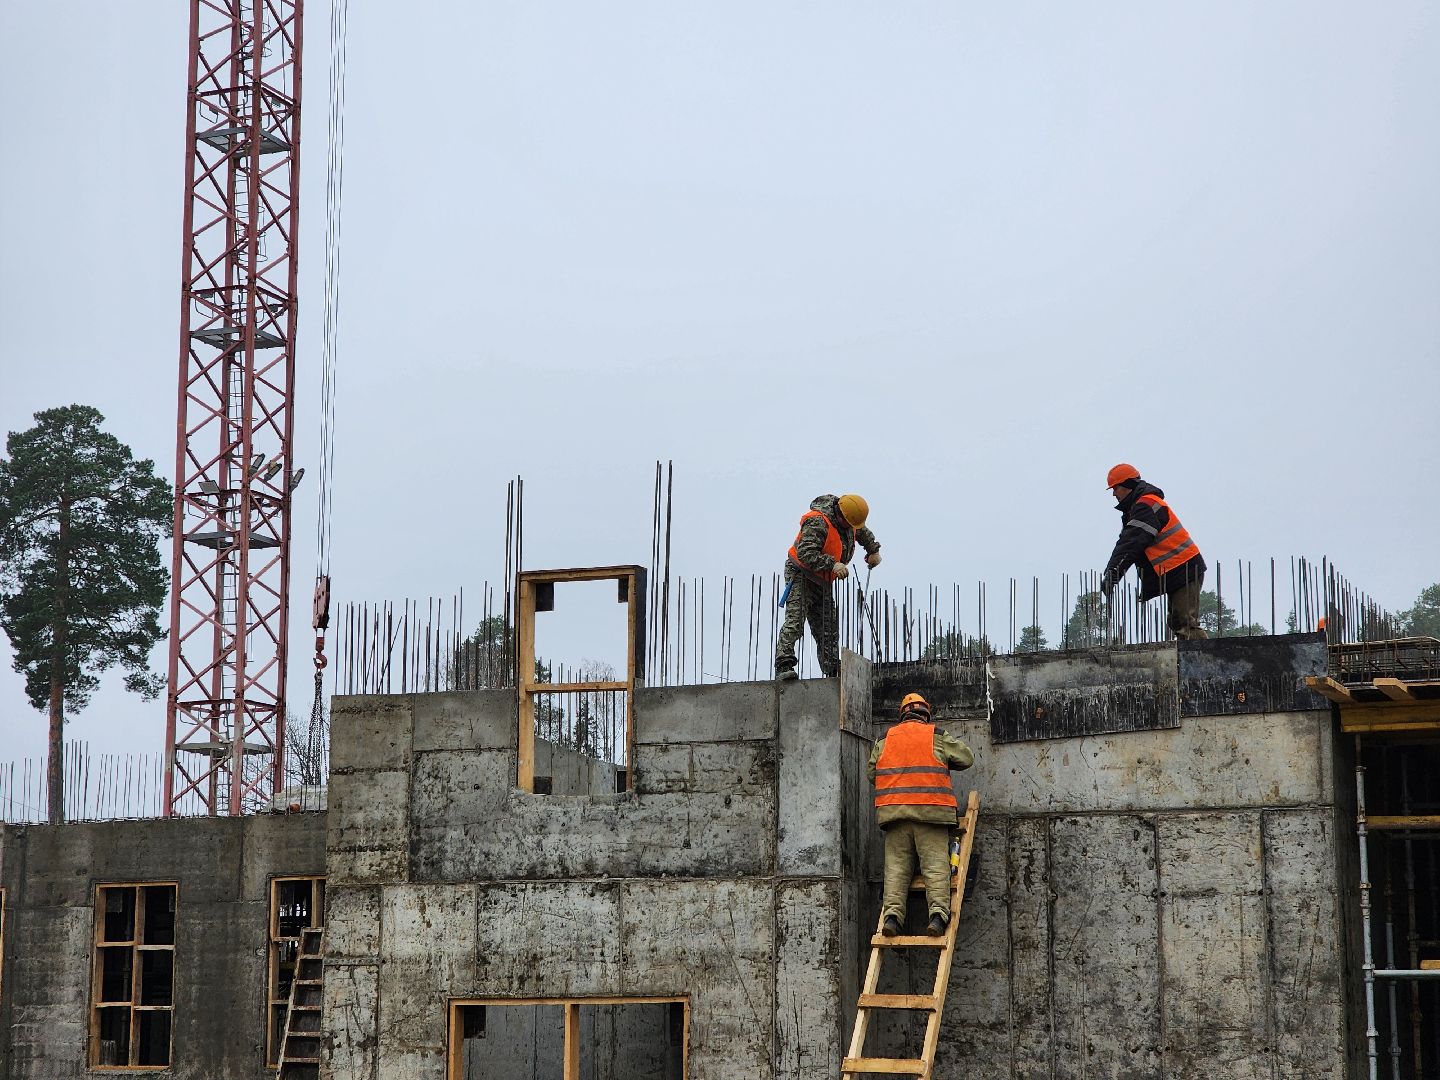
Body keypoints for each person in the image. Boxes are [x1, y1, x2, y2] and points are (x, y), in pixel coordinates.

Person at [867, 693, 974, 936]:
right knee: (935, 868)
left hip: (895, 817)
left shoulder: (885, 739)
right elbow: (966, 758)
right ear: (926, 713)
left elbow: (872, 773)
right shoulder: (935, 735)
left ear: (902, 713)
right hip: (931, 813)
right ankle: (937, 918)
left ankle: (892, 919)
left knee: (895, 870)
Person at [774, 493, 880, 681]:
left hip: (822, 581)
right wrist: (833, 565)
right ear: (841, 516)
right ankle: (784, 665)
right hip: (801, 575)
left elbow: (863, 532)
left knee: (828, 628)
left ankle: (832, 669)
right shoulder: (817, 522)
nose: (852, 529)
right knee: (795, 622)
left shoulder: (850, 522)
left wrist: (873, 550)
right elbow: (805, 552)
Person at [1099, 463, 1207, 640]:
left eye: (1115, 488)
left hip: (1185, 568)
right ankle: (1193, 663)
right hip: (1176, 570)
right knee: (1177, 621)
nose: (1114, 494)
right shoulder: (1138, 507)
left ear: (1127, 485)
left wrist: (1113, 572)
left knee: (1186, 624)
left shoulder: (1146, 506)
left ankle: (1204, 664)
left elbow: (1131, 542)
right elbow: (1129, 541)